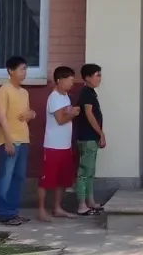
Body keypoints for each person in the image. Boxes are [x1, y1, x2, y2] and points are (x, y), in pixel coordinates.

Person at [0, 54, 36, 226]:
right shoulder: (4, 90)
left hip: (23, 140)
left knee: (18, 178)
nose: (25, 72)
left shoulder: (24, 92)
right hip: (9, 141)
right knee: (6, 177)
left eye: (26, 69)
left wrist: (32, 114)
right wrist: (9, 140)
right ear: (10, 71)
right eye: (22, 69)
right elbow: (2, 117)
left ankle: (13, 212)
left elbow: (27, 113)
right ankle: (4, 214)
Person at [37, 65, 81, 222]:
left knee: (62, 179)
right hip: (53, 145)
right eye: (69, 80)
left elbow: (65, 114)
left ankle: (57, 208)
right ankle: (41, 210)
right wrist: (73, 114)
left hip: (65, 145)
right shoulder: (54, 97)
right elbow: (60, 119)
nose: (71, 84)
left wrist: (70, 112)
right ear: (59, 80)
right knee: (47, 179)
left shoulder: (65, 96)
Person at [74, 63, 106, 216]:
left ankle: (90, 201)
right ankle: (81, 205)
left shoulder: (91, 92)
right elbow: (89, 114)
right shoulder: (86, 93)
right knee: (84, 172)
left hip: (91, 137)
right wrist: (101, 133)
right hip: (87, 138)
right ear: (87, 77)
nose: (99, 78)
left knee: (90, 171)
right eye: (97, 75)